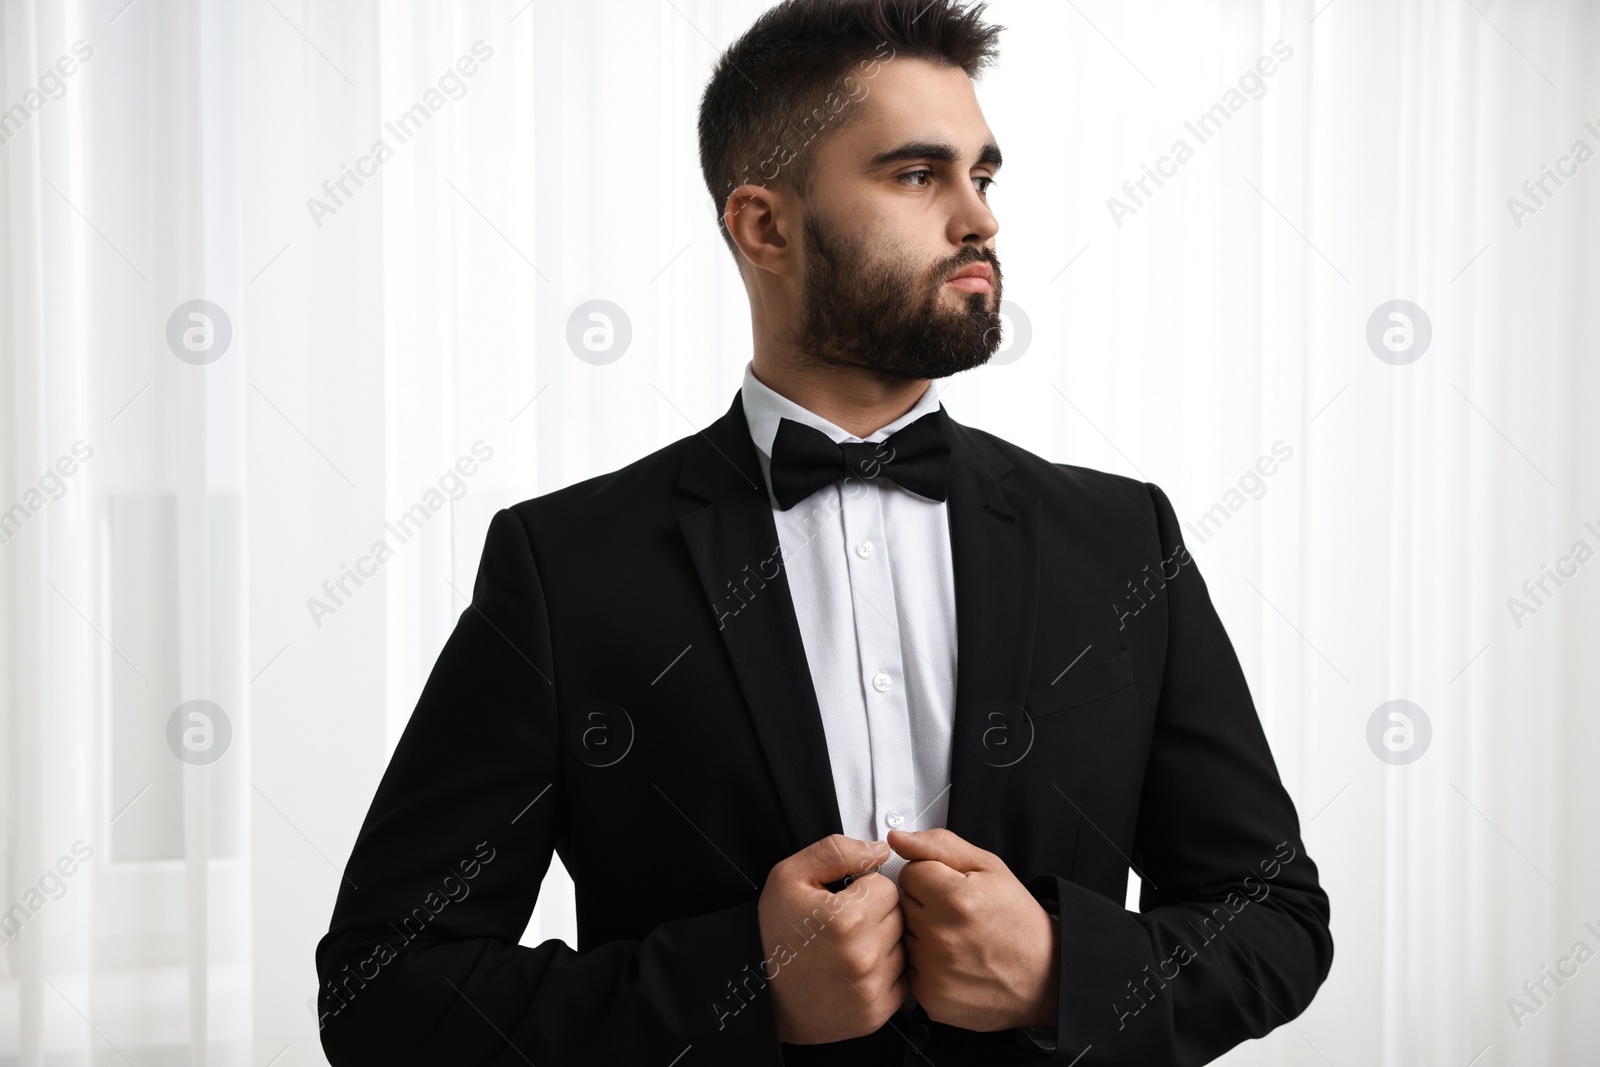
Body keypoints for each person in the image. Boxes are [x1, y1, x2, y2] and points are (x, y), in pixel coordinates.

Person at [315, 1, 1333, 1063]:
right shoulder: (567, 566)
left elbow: (1271, 918)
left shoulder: (1122, 538)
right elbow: (385, 989)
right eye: (914, 174)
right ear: (763, 224)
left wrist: (1061, 972)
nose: (978, 219)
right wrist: (740, 990)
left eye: (981, 176)